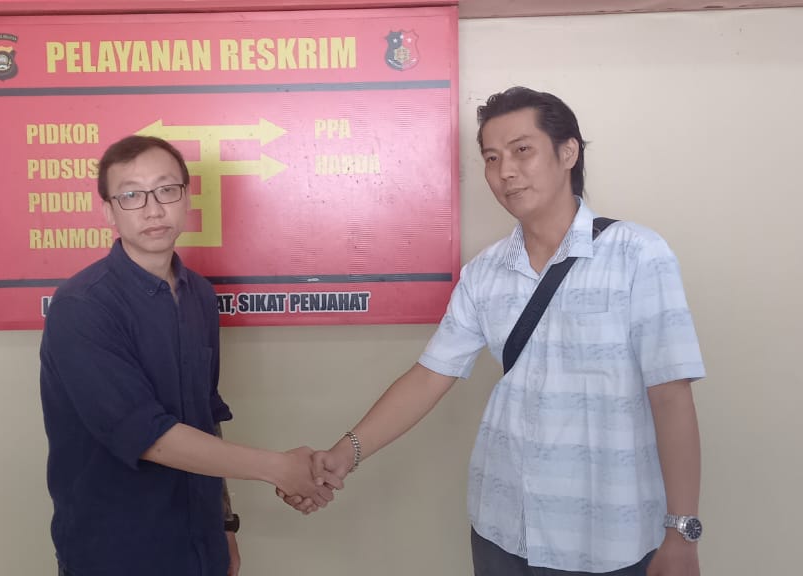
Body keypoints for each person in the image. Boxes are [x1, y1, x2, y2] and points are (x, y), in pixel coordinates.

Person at [284, 87, 708, 576]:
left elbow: (671, 395)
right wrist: (343, 454)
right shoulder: (484, 273)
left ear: (568, 152)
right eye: (491, 157)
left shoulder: (637, 254)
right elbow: (429, 377)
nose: (505, 171)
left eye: (522, 150)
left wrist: (682, 531)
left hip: (609, 536)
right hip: (504, 528)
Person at [40, 135, 340, 576]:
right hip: (116, 552)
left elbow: (205, 416)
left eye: (166, 190)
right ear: (108, 211)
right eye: (131, 195)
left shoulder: (198, 294)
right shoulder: (82, 307)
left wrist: (224, 524)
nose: (153, 209)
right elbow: (148, 437)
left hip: (201, 546)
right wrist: (278, 468)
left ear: (186, 197)